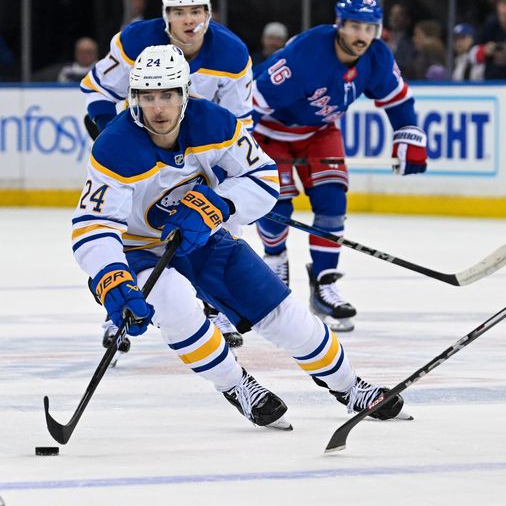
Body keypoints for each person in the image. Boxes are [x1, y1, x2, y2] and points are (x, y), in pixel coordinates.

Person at [71, 44, 407, 431]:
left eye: (167, 95)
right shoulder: (114, 146)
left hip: (203, 239)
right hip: (139, 250)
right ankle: (237, 386)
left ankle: (351, 387)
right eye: (148, 97)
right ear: (135, 99)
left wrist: (221, 205)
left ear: (185, 93)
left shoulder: (215, 123)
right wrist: (111, 277)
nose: (158, 108)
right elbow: (93, 225)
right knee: (176, 304)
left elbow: (264, 178)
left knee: (285, 314)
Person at [80, 0, 253, 351]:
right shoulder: (135, 41)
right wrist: (118, 137)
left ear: (209, 13)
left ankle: (217, 308)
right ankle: (119, 312)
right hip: (143, 152)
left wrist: (219, 173)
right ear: (164, 15)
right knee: (125, 229)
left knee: (223, 219)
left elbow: (241, 123)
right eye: (178, 11)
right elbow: (97, 89)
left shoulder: (233, 53)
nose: (188, 20)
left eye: (196, 11)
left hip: (203, 154)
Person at [251, 0, 428, 332]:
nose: (362, 36)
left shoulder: (376, 56)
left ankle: (324, 284)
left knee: (332, 201)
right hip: (271, 132)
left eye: (370, 28)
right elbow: (252, 105)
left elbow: (398, 101)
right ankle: (275, 262)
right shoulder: (305, 54)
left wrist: (408, 131)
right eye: (355, 27)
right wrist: (234, 154)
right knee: (277, 207)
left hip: (319, 131)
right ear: (339, 25)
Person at [472, 0, 506, 80]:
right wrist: (485, 51)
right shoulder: (491, 26)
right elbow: (471, 55)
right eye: (503, 15)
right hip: (491, 81)